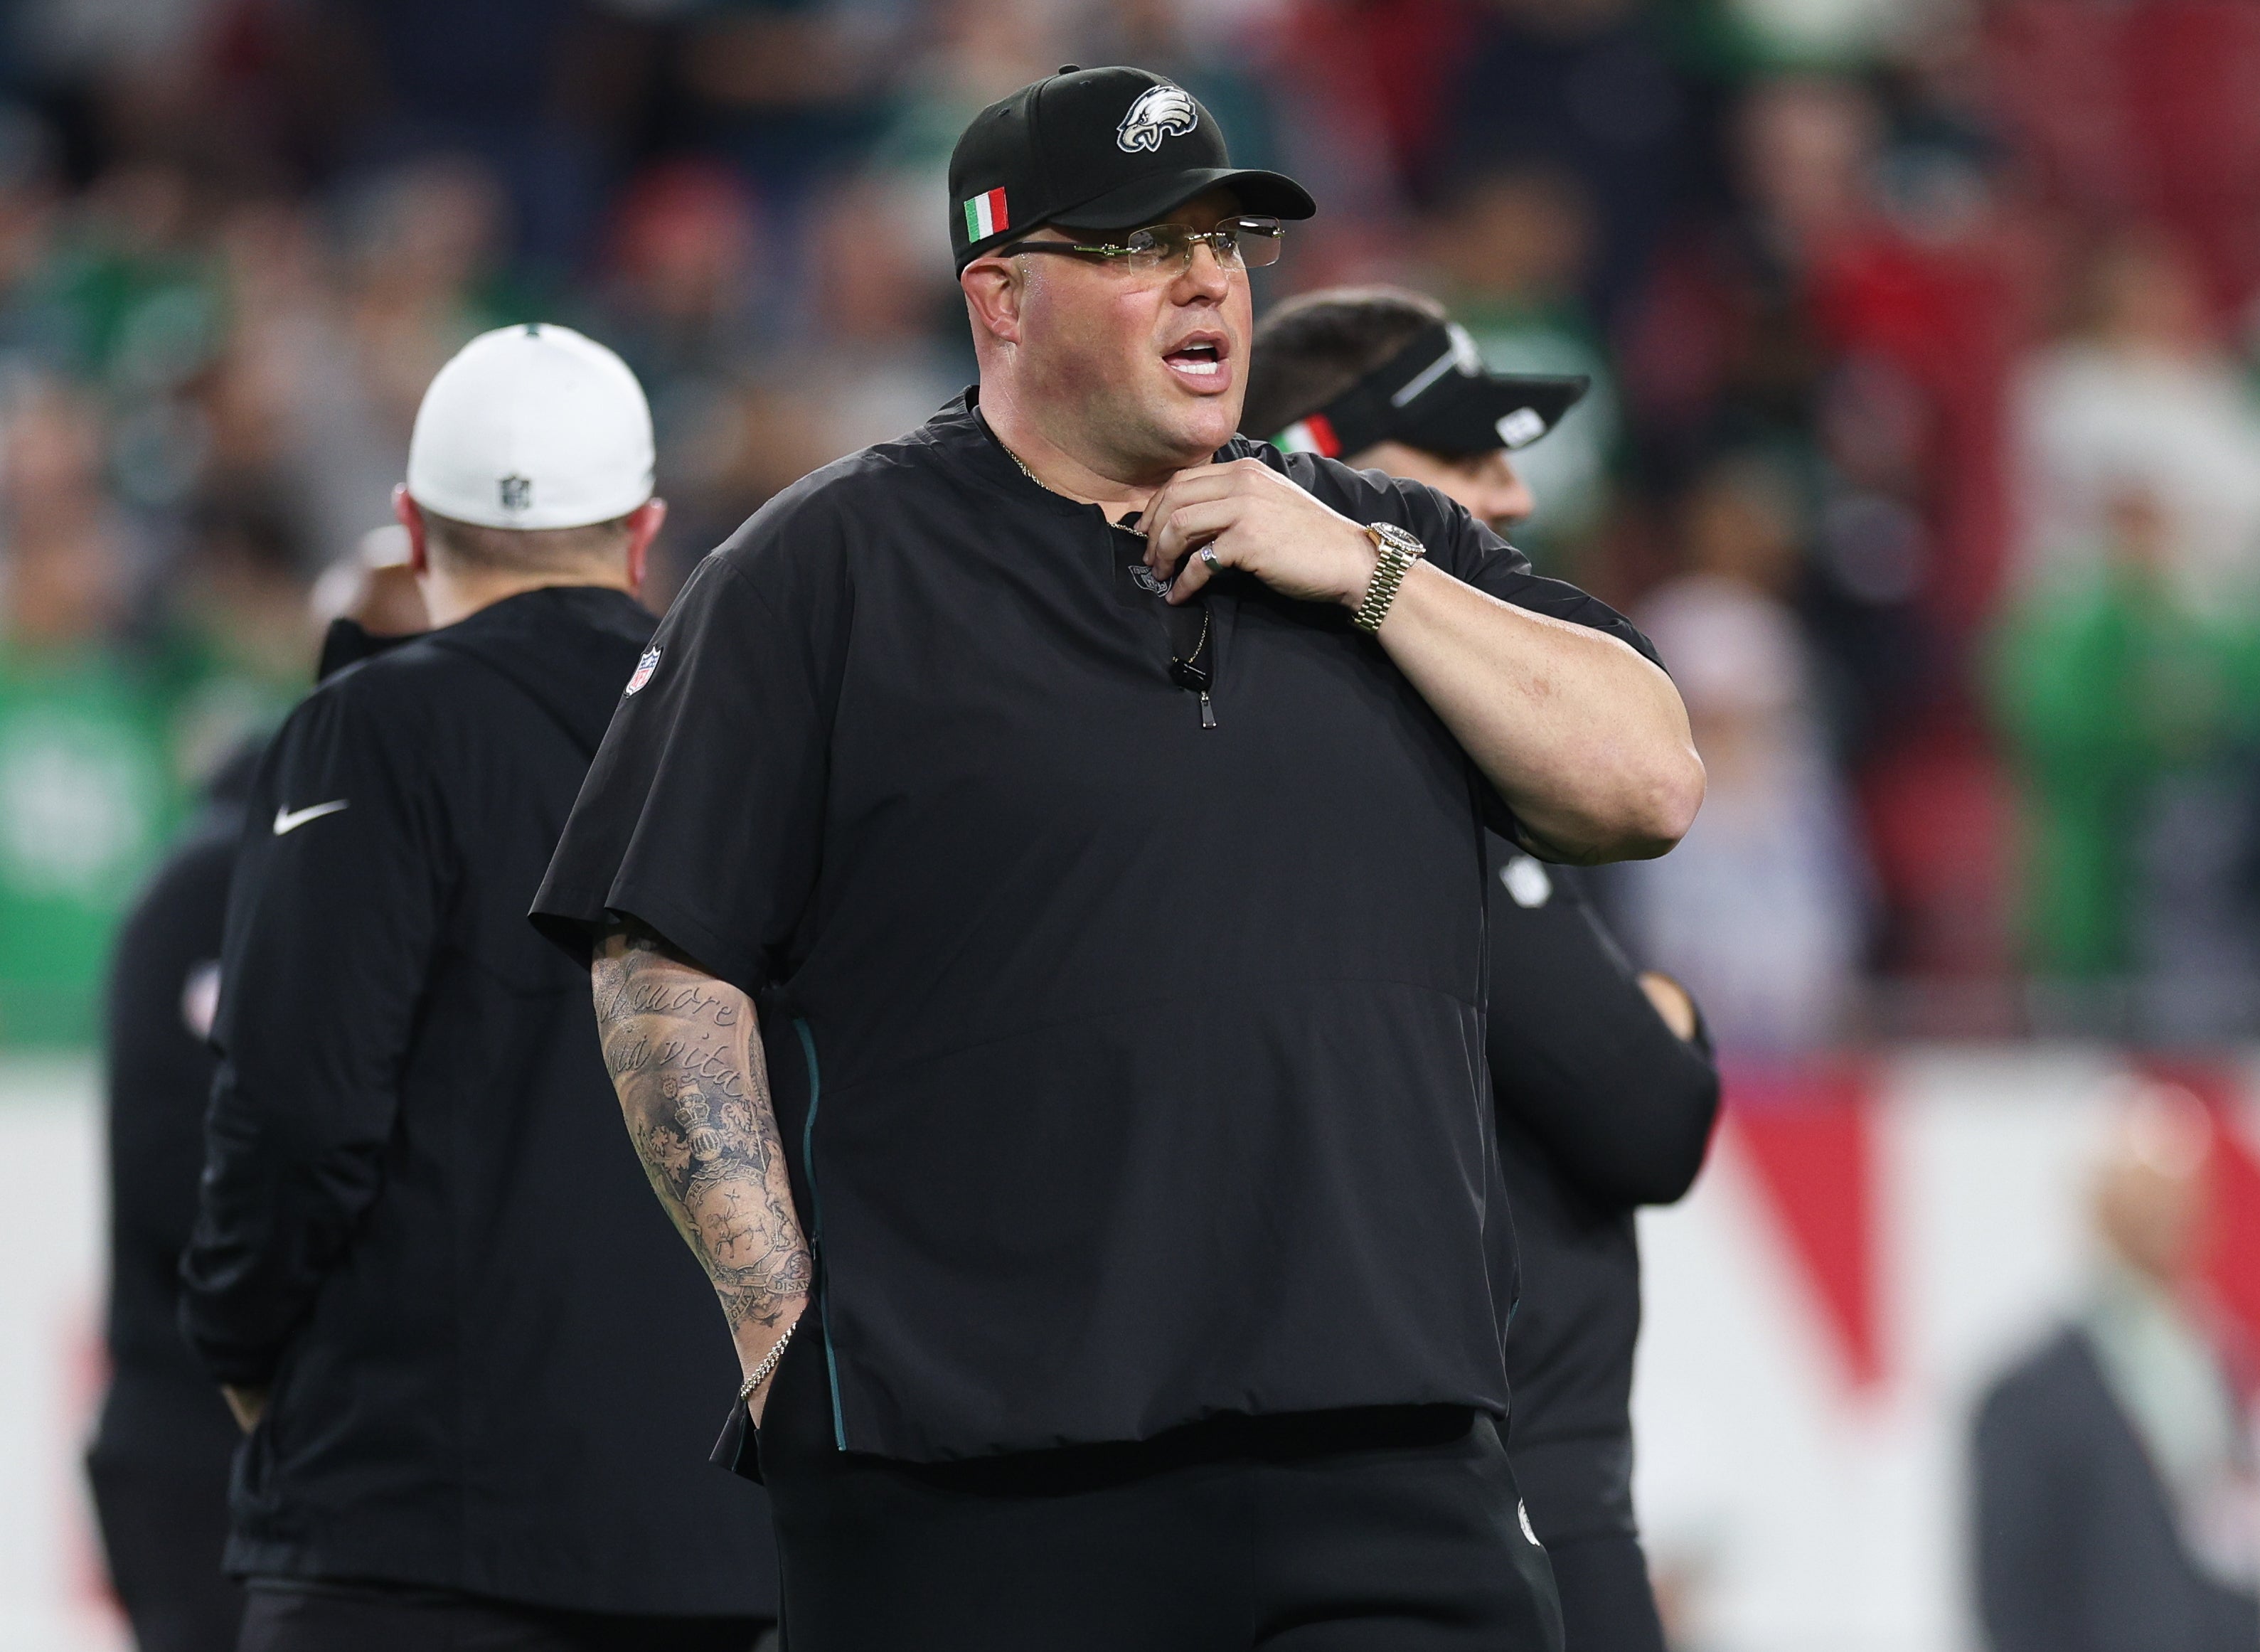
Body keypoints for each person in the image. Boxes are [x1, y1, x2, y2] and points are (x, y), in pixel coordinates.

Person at [531, 65, 1703, 1652]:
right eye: (1144, 243)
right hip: (983, 1483)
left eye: (1224, 238)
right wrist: (771, 1319)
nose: (1207, 273)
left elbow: (1645, 776)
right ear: (1000, 295)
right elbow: (661, 946)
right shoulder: (824, 572)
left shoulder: (1368, 539)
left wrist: (1359, 572)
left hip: (1383, 1450)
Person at [178, 325, 777, 1652]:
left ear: (408, 522)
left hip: (415, 1531)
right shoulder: (770, 730)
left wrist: (237, 1343)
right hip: (729, 1541)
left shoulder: (373, 723)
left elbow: (295, 1104)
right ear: (643, 528)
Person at [1244, 284, 1723, 1652]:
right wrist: (1672, 1019)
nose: (1508, 494)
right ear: (1327, 462)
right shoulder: (1381, 758)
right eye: (1464, 455)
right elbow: (1650, 1110)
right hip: (1499, 1505)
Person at [88, 563, 427, 1652]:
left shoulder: (436, 865)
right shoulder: (215, 883)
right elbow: (171, 1174)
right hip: (217, 1434)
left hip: (363, 1439)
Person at [1970, 1087, 2260, 1652]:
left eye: (2177, 1199)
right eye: (2140, 1201)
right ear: (2100, 1210)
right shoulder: (2030, 1394)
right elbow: (2009, 1599)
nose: (2164, 1219)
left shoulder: (2220, 1369)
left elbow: (2245, 1562)